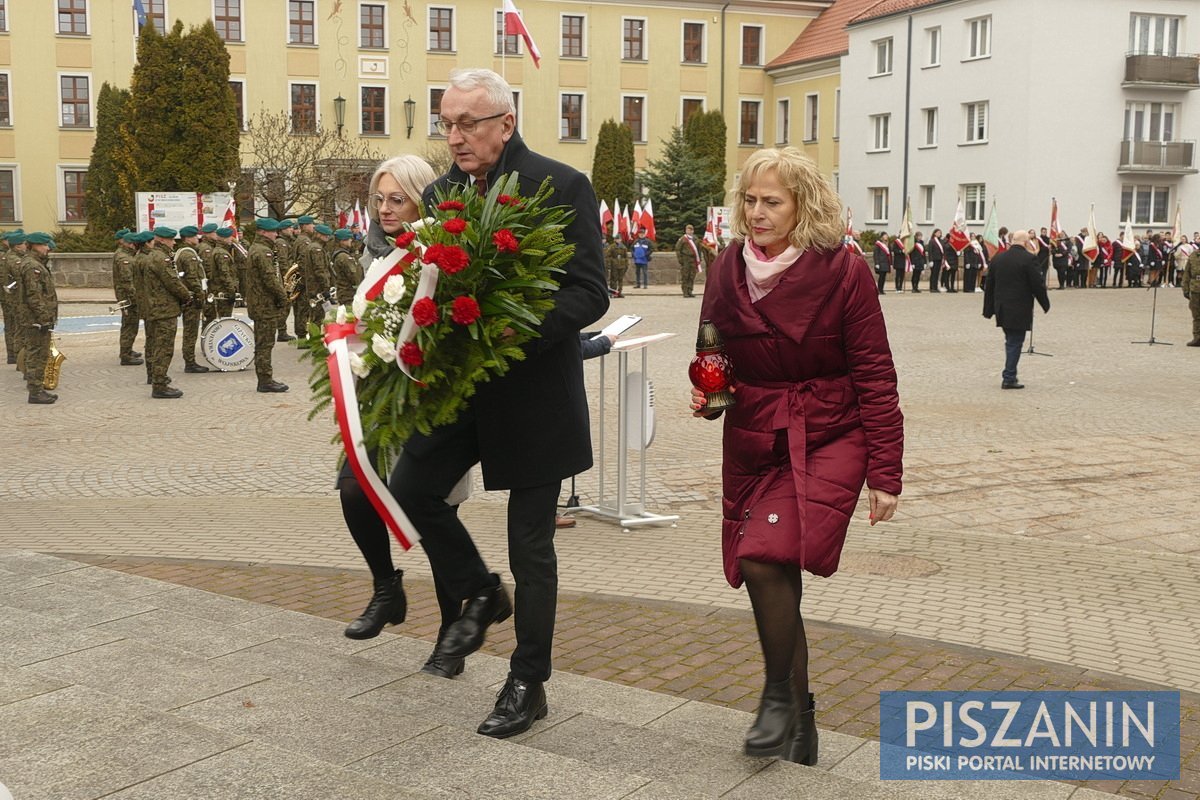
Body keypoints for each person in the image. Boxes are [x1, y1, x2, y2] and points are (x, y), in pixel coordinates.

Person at [390, 67, 609, 739]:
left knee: (531, 547)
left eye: (466, 124)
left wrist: (516, 330)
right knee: (412, 488)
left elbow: (589, 291)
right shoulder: (446, 191)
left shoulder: (560, 185)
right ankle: (481, 592)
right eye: (446, 123)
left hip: (535, 395)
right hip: (464, 391)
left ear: (505, 124)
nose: (453, 137)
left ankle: (527, 681)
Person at [690, 147, 903, 766]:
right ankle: (802, 717)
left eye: (771, 202)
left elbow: (875, 373)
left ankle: (777, 696)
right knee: (775, 569)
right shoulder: (727, 266)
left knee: (762, 556)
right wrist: (710, 394)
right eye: (750, 201)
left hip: (831, 433)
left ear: (803, 204)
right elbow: (714, 344)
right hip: (755, 434)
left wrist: (885, 473)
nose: (757, 213)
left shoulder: (845, 270)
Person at [339, 154, 474, 683]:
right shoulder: (377, 254)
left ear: (421, 200)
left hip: (427, 402)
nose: (386, 208)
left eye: (398, 199)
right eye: (379, 199)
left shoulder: (435, 252)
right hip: (378, 400)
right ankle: (386, 588)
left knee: (436, 522)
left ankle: (451, 636)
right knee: (353, 489)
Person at [982, 230, 1051, 390]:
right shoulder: (1029, 259)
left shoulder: (998, 258)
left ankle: (1010, 374)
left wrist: (988, 309)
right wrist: (1045, 303)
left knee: (1011, 340)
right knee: (1015, 342)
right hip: (1019, 308)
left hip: (1002, 308)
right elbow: (1037, 284)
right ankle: (1009, 377)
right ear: (1026, 243)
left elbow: (989, 286)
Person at [143, 227, 194, 399]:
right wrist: (187, 296)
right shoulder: (160, 258)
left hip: (160, 307)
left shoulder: (154, 255)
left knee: (160, 345)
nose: (174, 243)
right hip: (163, 309)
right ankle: (159, 384)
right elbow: (172, 281)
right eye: (172, 240)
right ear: (164, 240)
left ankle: (160, 379)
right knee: (164, 348)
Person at [244, 219, 290, 393]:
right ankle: (265, 380)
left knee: (264, 342)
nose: (276, 234)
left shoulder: (259, 249)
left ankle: (265, 378)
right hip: (264, 305)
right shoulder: (263, 252)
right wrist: (283, 296)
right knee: (265, 343)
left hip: (261, 304)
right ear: (263, 232)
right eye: (273, 232)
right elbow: (270, 279)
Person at [16, 232, 60, 404]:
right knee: (36, 354)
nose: (47, 248)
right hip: (35, 319)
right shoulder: (31, 266)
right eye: (44, 245)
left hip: (38, 318)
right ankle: (35, 392)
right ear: (34, 246)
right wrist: (43, 318)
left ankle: (38, 389)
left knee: (40, 353)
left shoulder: (36, 264)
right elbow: (34, 296)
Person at [175, 226, 210, 373]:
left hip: (188, 296)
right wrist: (199, 294)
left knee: (191, 330)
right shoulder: (189, 255)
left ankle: (190, 360)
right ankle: (190, 362)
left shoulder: (183, 252)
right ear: (188, 238)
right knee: (190, 331)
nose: (198, 238)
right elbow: (192, 277)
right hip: (191, 297)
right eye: (195, 236)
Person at [111, 230, 144, 366]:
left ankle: (127, 350)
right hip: (129, 298)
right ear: (131, 244)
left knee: (131, 324)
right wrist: (136, 299)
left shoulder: (126, 256)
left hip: (128, 297)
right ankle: (125, 355)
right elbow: (127, 282)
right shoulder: (124, 259)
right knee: (129, 325)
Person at [675, 224, 703, 298]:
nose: (688, 231)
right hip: (685, 259)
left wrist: (699, 259)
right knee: (685, 276)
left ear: (692, 231)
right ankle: (685, 292)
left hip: (693, 260)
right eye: (687, 230)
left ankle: (690, 291)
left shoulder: (696, 239)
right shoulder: (683, 239)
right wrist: (680, 260)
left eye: (690, 230)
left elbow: (698, 250)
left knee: (692, 276)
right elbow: (678, 249)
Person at [1183, 244, 1200, 346]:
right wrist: (1185, 289)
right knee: (1196, 314)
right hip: (1195, 289)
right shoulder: (1193, 255)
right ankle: (1197, 338)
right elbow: (1187, 273)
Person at [927, 228, 944, 292]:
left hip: (939, 259)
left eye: (940, 233)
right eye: (938, 232)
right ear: (935, 233)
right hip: (934, 260)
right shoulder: (932, 241)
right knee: (933, 274)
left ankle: (935, 287)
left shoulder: (941, 241)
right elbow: (930, 251)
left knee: (937, 274)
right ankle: (932, 287)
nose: (939, 234)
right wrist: (930, 260)